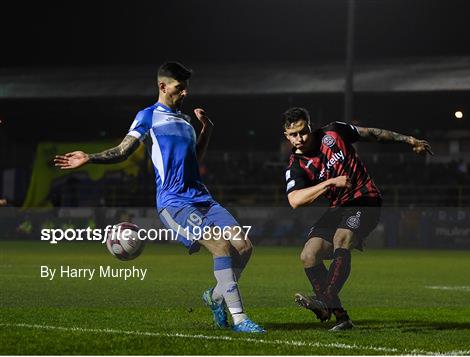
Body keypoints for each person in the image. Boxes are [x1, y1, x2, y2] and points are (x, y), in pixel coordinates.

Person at [54, 61, 264, 333]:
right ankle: (240, 320)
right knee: (221, 247)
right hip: (173, 202)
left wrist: (206, 130)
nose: (185, 93)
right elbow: (123, 150)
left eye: (186, 88)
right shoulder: (148, 116)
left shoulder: (187, 121)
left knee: (244, 248)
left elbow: (194, 158)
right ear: (163, 86)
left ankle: (214, 298)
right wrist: (90, 157)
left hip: (202, 198)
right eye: (180, 88)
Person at [282, 107, 432, 331]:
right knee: (308, 255)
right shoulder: (296, 165)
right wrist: (330, 183)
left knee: (342, 238)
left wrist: (409, 140)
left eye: (303, 132)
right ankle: (341, 317)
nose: (299, 138)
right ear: (286, 135)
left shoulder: (333, 132)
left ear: (310, 126)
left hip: (365, 198)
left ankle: (325, 301)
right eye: (293, 135)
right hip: (338, 207)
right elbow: (294, 200)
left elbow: (371, 133)